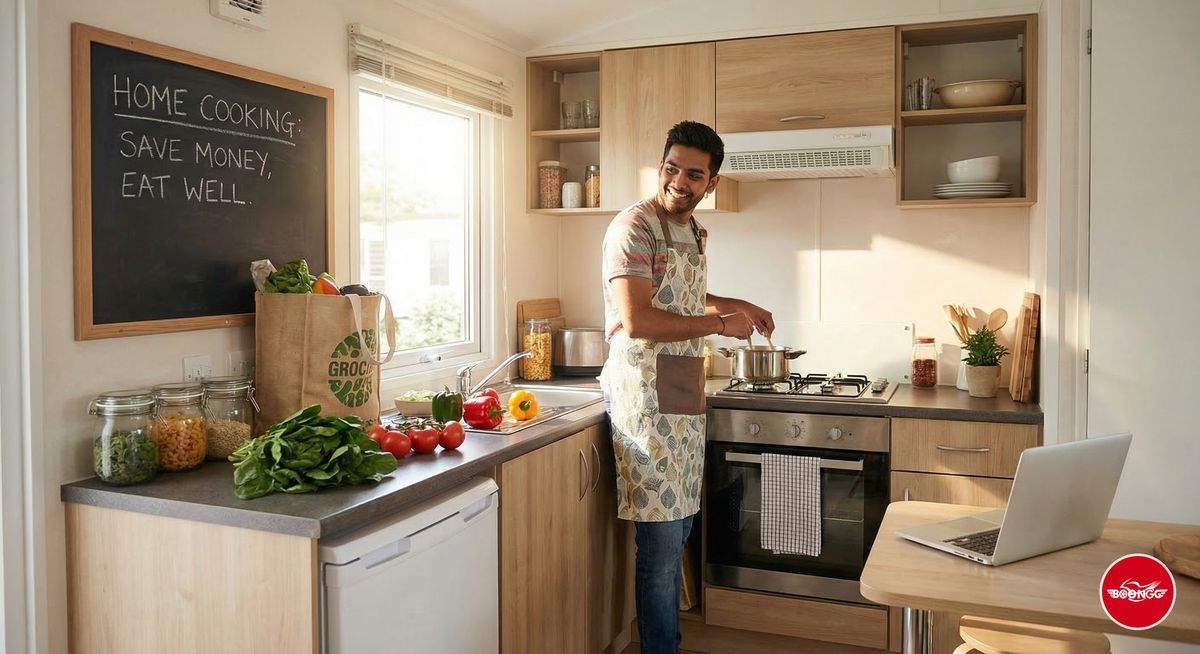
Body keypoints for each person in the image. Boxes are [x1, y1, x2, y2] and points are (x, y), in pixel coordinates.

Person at [599, 121, 774, 654]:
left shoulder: (695, 232)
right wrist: (722, 325)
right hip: (646, 402)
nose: (679, 180)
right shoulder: (635, 227)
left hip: (682, 394)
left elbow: (682, 297)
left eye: (693, 174)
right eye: (671, 167)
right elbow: (639, 319)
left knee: (678, 532)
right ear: (662, 165)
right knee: (659, 542)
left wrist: (737, 305)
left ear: (711, 183)